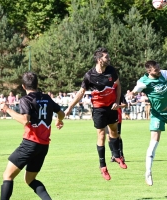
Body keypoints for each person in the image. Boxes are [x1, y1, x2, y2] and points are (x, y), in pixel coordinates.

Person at [0, 72, 65, 200]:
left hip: (30, 143)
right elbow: (61, 112)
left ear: (23, 86)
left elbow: (25, 120)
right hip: (43, 146)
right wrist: (59, 120)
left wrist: (7, 109)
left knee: (7, 175)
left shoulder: (26, 99)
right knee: (30, 179)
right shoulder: (47, 97)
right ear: (37, 84)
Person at [64, 47, 126, 181]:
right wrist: (70, 107)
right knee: (102, 135)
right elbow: (81, 92)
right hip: (98, 109)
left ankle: (117, 156)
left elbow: (118, 85)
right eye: (106, 57)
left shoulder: (111, 71)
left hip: (111, 107)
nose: (108, 59)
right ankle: (103, 166)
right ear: (99, 60)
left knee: (114, 131)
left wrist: (117, 101)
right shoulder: (89, 75)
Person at [105, 94, 127, 162]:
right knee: (108, 136)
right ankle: (113, 155)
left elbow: (125, 104)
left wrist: (117, 106)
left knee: (117, 136)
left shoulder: (118, 93)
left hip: (116, 117)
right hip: (106, 116)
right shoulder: (104, 92)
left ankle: (121, 155)